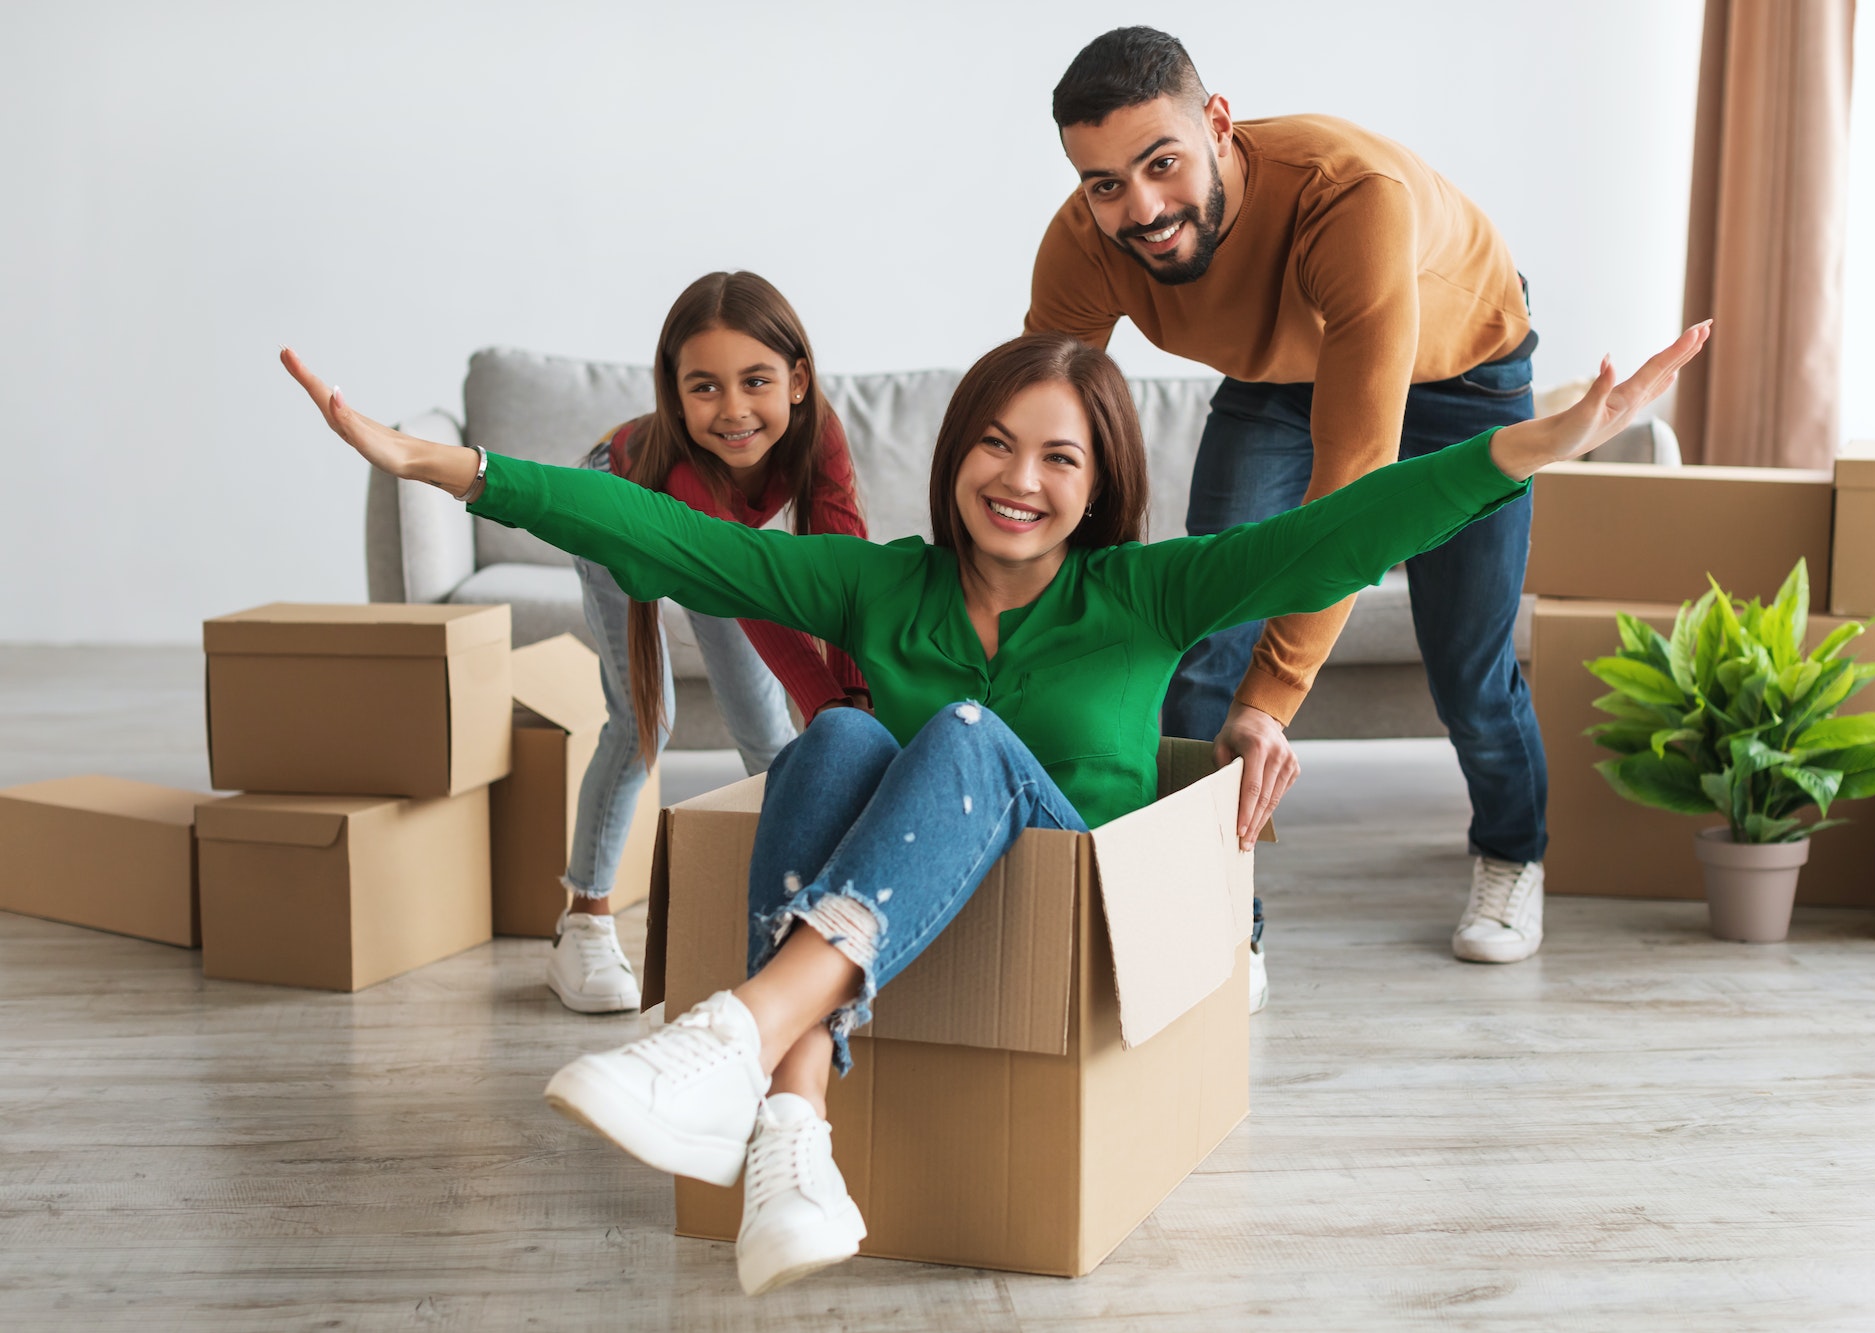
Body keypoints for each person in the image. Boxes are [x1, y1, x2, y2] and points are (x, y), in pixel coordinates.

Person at [282, 320, 1708, 1294]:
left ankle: (732, 1033)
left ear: (1097, 490)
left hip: (1074, 921)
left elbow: (1347, 527)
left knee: (952, 730)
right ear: (957, 448)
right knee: (836, 739)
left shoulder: (1148, 592)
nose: (1020, 481)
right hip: (910, 921)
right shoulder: (880, 582)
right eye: (997, 446)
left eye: (1060, 458)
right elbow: (679, 540)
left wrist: (1538, 443)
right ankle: (792, 1128)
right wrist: (453, 470)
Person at [1026, 27, 1552, 995]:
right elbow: (1042, 425)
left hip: (1464, 376)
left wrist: (1266, 705)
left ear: (1216, 123)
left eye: (1160, 163)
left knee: (1466, 668)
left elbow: (1347, 496)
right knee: (1192, 637)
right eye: (1103, 183)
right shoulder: (1084, 242)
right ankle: (1220, 913)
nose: (1138, 209)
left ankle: (1511, 853)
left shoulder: (1346, 198)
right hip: (1277, 378)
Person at [546, 272, 871, 1016]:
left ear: (795, 380)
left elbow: (842, 576)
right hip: (622, 509)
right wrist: (837, 721)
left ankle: (794, 907)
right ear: (674, 390)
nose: (733, 411)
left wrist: (857, 707)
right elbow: (762, 610)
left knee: (769, 734)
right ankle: (583, 923)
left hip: (727, 543)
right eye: (705, 388)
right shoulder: (687, 472)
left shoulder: (820, 433)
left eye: (754, 380)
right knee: (641, 726)